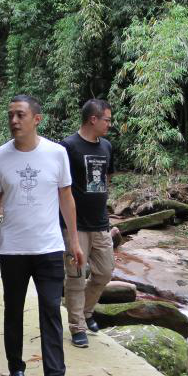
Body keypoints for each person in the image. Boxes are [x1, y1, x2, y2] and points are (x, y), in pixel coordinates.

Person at [0, 95, 85, 376]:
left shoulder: (57, 153)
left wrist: (74, 241)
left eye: (20, 115)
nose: (14, 120)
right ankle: (16, 368)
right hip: (13, 249)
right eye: (10, 115)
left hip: (49, 247)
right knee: (14, 310)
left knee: (51, 309)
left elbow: (66, 197)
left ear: (37, 119)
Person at [62, 99, 118, 348]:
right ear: (93, 119)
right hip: (75, 225)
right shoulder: (68, 147)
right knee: (75, 276)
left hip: (100, 223)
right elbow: (60, 187)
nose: (109, 124)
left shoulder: (106, 146)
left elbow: (106, 179)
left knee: (104, 272)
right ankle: (77, 326)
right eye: (107, 119)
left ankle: (85, 311)